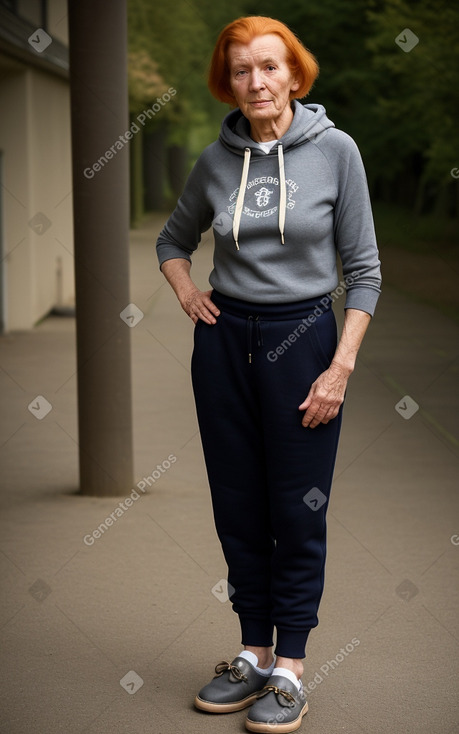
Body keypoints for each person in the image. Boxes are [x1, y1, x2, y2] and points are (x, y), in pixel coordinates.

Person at [156, 15, 381, 733]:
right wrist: (188, 290)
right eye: (241, 69)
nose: (256, 81)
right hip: (224, 345)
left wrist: (339, 366)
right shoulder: (215, 159)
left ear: (294, 75)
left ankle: (290, 667)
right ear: (230, 80)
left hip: (305, 340)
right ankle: (251, 654)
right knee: (238, 504)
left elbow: (366, 273)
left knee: (297, 508)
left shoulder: (335, 151)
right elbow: (172, 238)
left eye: (268, 67)